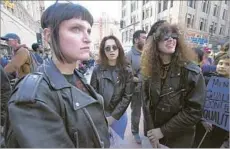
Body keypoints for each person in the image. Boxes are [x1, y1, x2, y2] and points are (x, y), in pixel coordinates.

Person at [4, 2, 110, 148]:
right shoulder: (34, 97)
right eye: (76, 29)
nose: (87, 38)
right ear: (48, 35)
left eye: (89, 31)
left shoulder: (77, 76)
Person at [141, 21, 206, 148]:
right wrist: (151, 133)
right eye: (165, 36)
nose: (171, 40)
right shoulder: (150, 69)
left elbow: (194, 111)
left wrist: (162, 131)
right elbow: (146, 103)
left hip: (179, 138)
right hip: (155, 136)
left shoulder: (192, 72)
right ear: (155, 42)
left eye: (174, 36)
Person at [90, 35, 134, 140]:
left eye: (114, 47)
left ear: (119, 49)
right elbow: (92, 93)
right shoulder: (97, 70)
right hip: (101, 115)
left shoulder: (127, 70)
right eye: (107, 48)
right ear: (103, 51)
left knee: (117, 143)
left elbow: (127, 97)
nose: (111, 50)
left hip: (119, 116)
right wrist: (100, 114)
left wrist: (113, 117)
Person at [125, 30, 146, 144]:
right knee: (136, 112)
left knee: (148, 112)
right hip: (136, 90)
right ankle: (135, 131)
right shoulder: (129, 55)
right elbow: (126, 75)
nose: (145, 40)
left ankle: (148, 132)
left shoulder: (146, 54)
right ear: (136, 39)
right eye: (143, 37)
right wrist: (138, 80)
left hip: (148, 89)